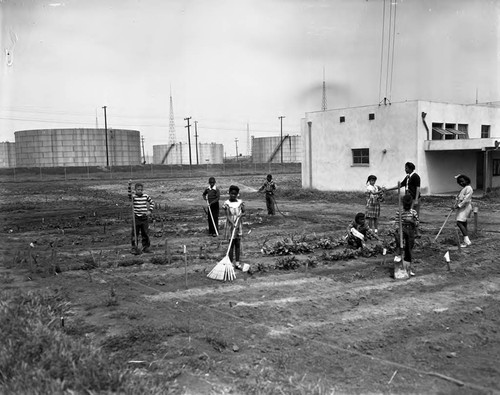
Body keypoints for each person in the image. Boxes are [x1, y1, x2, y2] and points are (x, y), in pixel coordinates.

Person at [393, 194, 419, 276]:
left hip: (410, 230)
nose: (407, 206)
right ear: (403, 204)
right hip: (402, 230)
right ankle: (399, 264)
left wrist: (412, 222)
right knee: (399, 246)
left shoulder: (413, 212)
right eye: (405, 205)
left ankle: (408, 267)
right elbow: (396, 222)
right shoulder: (399, 212)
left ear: (411, 204)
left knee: (409, 248)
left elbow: (417, 223)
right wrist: (398, 229)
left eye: (408, 205)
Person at [128, 180, 154, 254]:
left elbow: (152, 203)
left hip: (144, 218)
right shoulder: (134, 197)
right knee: (135, 233)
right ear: (135, 190)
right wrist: (129, 185)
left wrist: (149, 211)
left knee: (145, 233)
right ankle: (134, 248)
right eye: (138, 190)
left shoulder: (146, 196)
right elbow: (129, 195)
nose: (140, 191)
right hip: (136, 218)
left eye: (141, 190)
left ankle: (145, 247)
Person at [223, 185, 246, 269]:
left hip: (238, 224)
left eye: (235, 194)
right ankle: (230, 263)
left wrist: (240, 217)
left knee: (237, 243)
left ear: (237, 194)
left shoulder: (240, 202)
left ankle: (237, 262)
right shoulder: (227, 203)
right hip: (230, 224)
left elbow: (244, 212)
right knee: (231, 243)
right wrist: (233, 223)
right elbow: (228, 216)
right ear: (229, 193)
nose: (233, 195)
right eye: (232, 193)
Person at [454, 174, 473, 248]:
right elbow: (458, 198)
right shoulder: (463, 189)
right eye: (459, 182)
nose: (461, 183)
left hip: (465, 207)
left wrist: (458, 206)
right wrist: (455, 205)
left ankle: (467, 240)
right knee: (463, 222)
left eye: (462, 181)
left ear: (467, 180)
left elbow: (466, 200)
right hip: (461, 207)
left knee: (459, 222)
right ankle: (465, 240)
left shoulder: (469, 188)